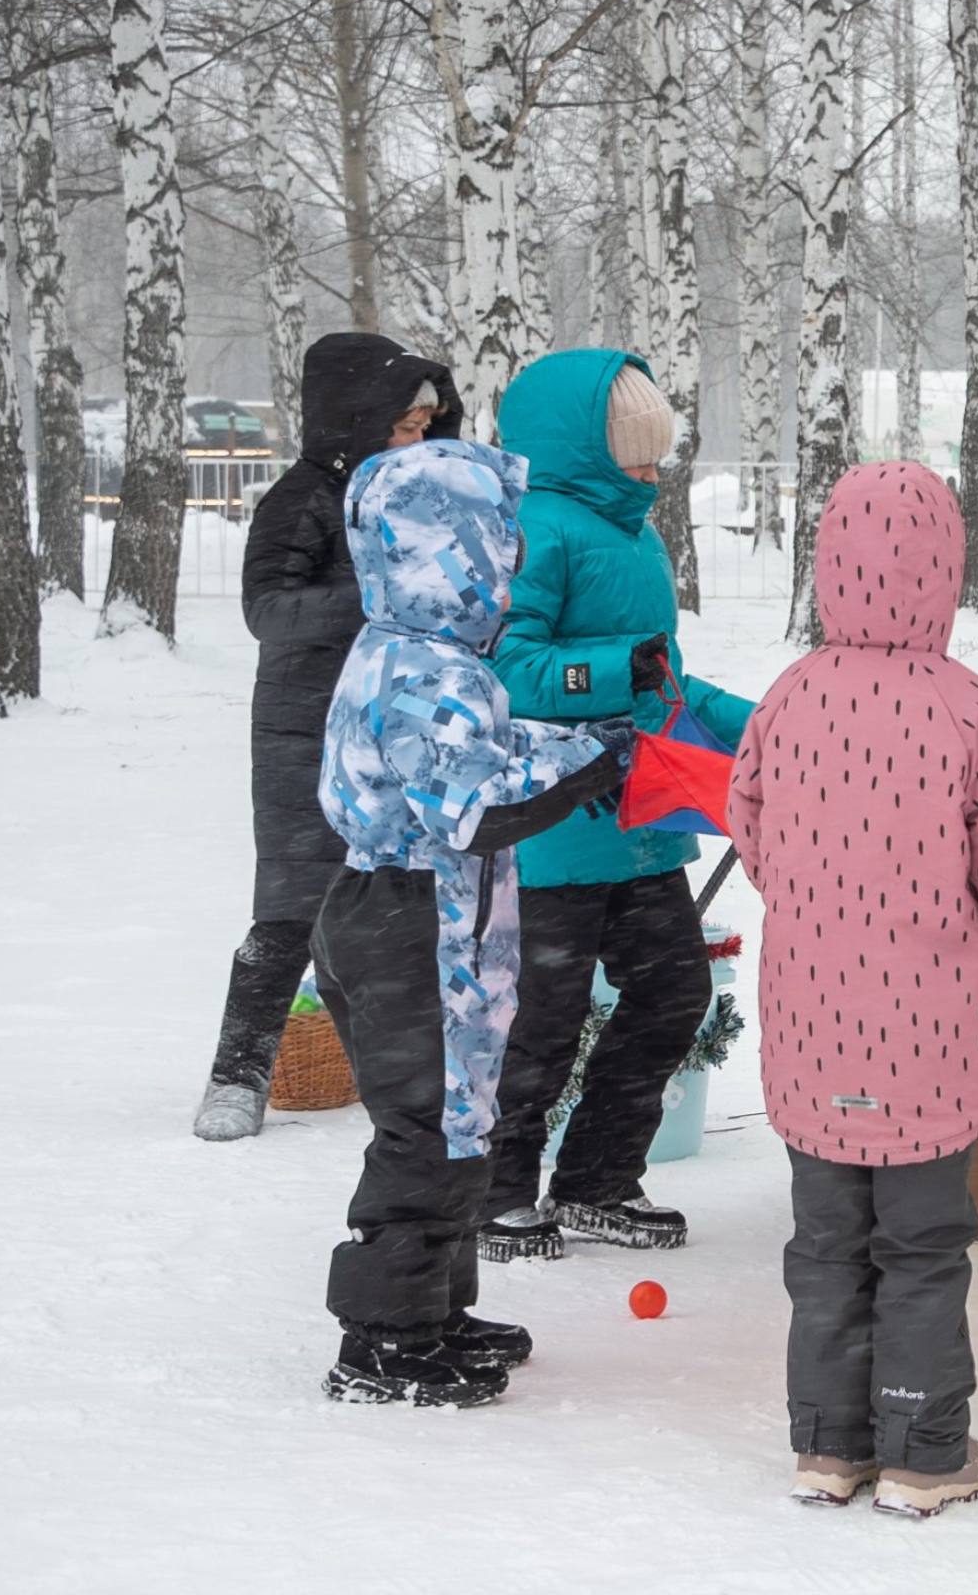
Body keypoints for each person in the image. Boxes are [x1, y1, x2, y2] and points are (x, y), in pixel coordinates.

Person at [728, 462, 978, 1516]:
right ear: (942, 573)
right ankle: (923, 1448)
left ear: (829, 566)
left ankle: (828, 1442)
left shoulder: (788, 698)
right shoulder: (973, 714)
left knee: (824, 1246)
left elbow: (751, 833)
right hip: (929, 1040)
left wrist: (819, 900)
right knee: (923, 1247)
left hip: (811, 1029)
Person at [313, 439, 634, 1406]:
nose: (510, 559)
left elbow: (485, 749)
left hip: (426, 915)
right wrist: (585, 768)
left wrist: (578, 742)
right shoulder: (425, 669)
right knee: (426, 1126)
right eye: (496, 540)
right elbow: (477, 803)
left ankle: (435, 1309)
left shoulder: (418, 652)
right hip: (415, 923)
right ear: (446, 548)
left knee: (460, 1121)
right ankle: (382, 1340)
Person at [480, 350, 755, 1260]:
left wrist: (768, 723)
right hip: (557, 826)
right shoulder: (533, 531)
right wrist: (606, 672)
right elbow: (505, 667)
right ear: (579, 450)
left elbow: (664, 680)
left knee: (675, 993)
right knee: (541, 1023)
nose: (651, 471)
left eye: (655, 454)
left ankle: (598, 1178)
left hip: (642, 826)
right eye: (634, 454)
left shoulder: (636, 536)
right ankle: (499, 1190)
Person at [195, 334, 460, 1141]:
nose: (417, 440)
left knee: (394, 898)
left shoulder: (419, 495)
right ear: (358, 416)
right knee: (288, 907)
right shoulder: (301, 497)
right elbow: (266, 611)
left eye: (426, 425)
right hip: (303, 723)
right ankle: (238, 1073)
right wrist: (377, 602)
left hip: (394, 716)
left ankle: (389, 1065)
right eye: (404, 424)